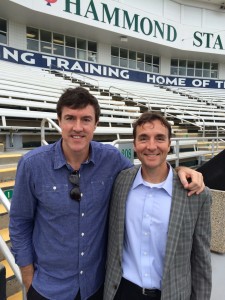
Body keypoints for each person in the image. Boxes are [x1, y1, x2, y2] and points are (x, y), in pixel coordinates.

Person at [9, 87, 205, 300]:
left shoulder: (111, 159)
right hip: (48, 288)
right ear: (59, 120)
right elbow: (20, 223)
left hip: (95, 287)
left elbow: (149, 169)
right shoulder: (32, 165)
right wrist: (28, 280)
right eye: (70, 118)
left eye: (85, 119)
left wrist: (179, 171)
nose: (77, 127)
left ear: (96, 124)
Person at [104, 112, 212, 300]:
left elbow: (201, 260)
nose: (151, 146)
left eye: (160, 138)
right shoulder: (120, 182)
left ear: (169, 144)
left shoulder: (197, 195)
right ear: (135, 145)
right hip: (122, 291)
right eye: (143, 138)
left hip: (171, 294)